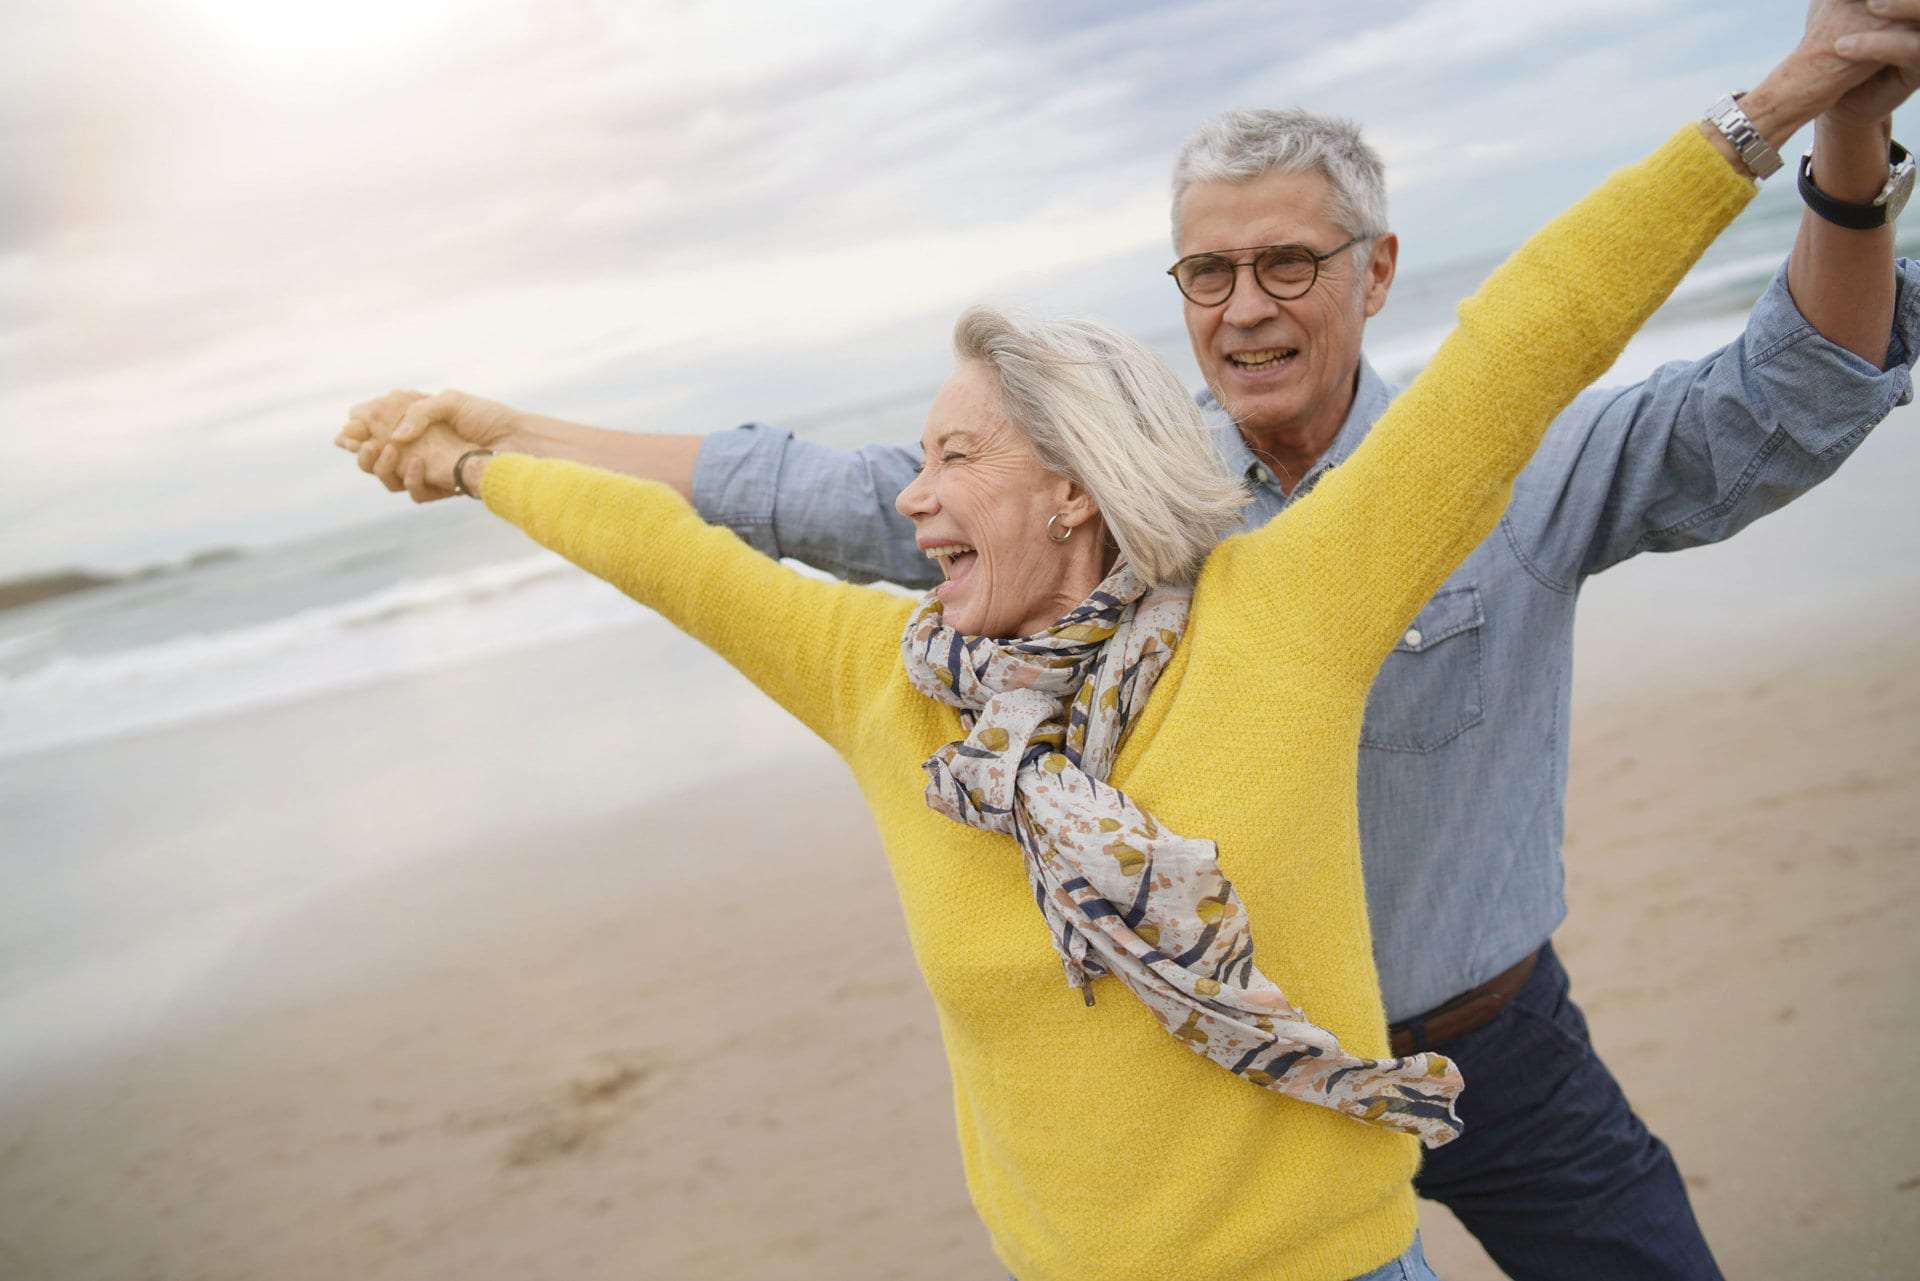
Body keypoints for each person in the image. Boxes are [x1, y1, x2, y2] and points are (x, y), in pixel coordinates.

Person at [337, 8, 1920, 1277]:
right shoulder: (1046, 576)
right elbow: (766, 520)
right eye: (1207, 271)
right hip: (1204, 1108)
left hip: (1485, 1046)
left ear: (1373, 271)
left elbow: (1684, 369)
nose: (1242, 306)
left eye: (1287, 262)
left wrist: (1817, 117)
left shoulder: (1384, 533)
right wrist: (500, 440)